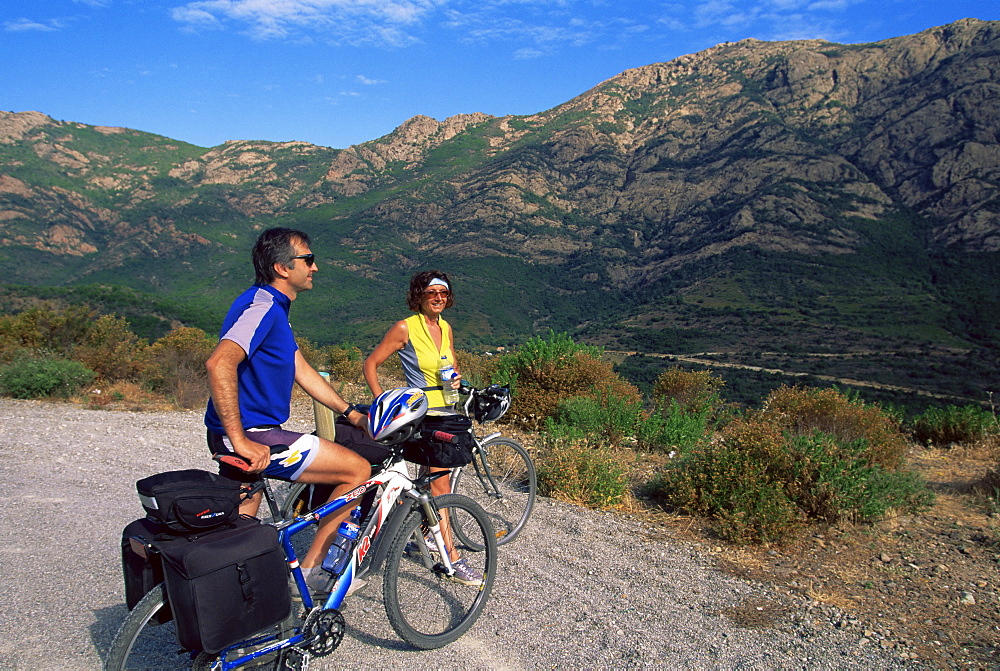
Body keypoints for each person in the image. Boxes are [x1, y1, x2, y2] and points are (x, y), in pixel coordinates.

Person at [204, 227, 371, 594]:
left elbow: (301, 369)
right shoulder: (262, 307)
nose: (315, 267)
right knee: (357, 470)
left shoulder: (272, 307)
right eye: (307, 259)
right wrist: (240, 439)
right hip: (253, 435)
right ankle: (313, 572)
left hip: (234, 434)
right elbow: (219, 363)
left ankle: (232, 601)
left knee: (239, 530)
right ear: (282, 267)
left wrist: (351, 413)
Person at [363, 270, 482, 585]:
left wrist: (456, 377)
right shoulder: (405, 327)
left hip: (447, 410)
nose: (439, 298)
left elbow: (451, 365)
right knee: (441, 486)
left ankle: (422, 533)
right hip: (422, 416)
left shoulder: (445, 327)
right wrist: (382, 402)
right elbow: (370, 364)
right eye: (432, 293)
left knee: (429, 482)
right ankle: (451, 558)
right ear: (419, 295)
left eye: (443, 293)